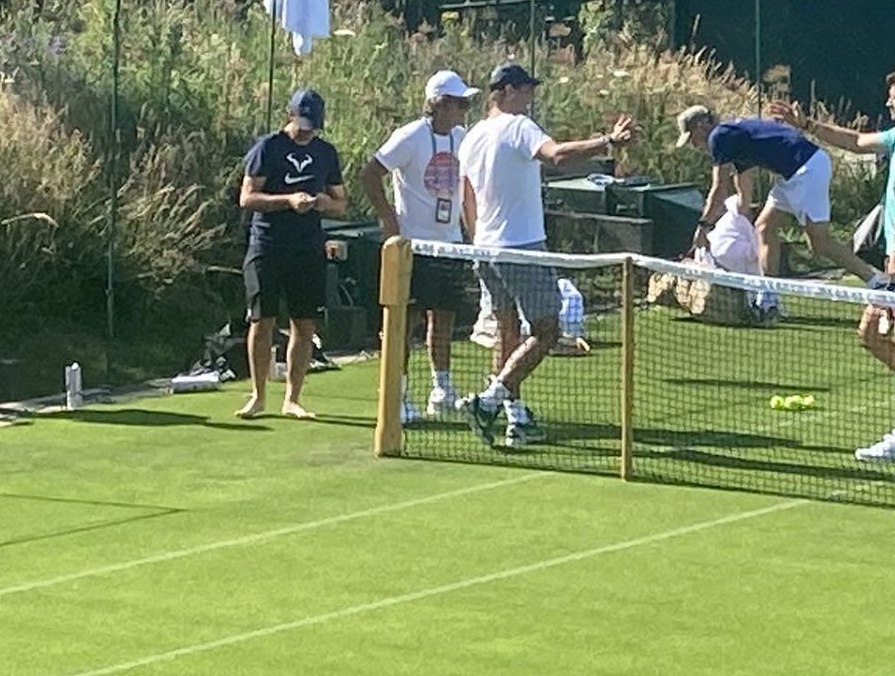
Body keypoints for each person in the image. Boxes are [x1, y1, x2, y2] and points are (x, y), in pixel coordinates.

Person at [772, 68, 895, 462]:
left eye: (894, 97)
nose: (889, 103)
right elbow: (855, 141)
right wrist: (804, 123)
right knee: (870, 333)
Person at [459, 62, 636, 449]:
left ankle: (516, 419)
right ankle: (488, 403)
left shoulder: (471, 136)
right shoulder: (519, 126)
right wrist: (608, 142)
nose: (530, 96)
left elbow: (466, 198)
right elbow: (555, 156)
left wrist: (478, 244)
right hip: (520, 247)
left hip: (487, 249)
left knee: (506, 335)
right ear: (505, 91)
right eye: (525, 89)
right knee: (547, 331)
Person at [362, 69, 474, 424]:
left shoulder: (462, 137)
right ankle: (397, 393)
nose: (464, 110)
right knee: (404, 322)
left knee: (442, 319)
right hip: (413, 247)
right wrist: (389, 220)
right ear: (439, 105)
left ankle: (441, 388)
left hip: (450, 245)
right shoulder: (410, 136)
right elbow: (370, 174)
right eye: (459, 103)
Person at [675, 106, 883, 286]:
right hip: (792, 173)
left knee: (820, 243)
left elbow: (719, 188)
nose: (695, 145)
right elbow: (743, 178)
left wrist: (704, 227)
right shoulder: (733, 136)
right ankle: (768, 295)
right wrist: (742, 206)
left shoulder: (718, 137)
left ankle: (877, 281)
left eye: (692, 138)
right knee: (764, 228)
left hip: (805, 168)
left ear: (701, 125)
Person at [238, 88, 347, 420]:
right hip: (267, 244)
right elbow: (247, 197)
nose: (307, 131)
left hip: (307, 246)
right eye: (303, 123)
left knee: (304, 323)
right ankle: (258, 396)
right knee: (262, 319)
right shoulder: (268, 147)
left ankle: (292, 398)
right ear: (290, 115)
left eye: (313, 125)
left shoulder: (326, 153)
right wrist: (288, 201)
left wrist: (323, 203)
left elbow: (341, 203)